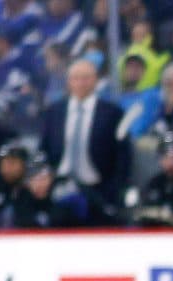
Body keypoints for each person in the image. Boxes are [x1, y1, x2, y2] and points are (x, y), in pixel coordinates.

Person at [40, 56, 124, 217]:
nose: (81, 83)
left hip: (98, 188)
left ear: (95, 81)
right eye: (76, 78)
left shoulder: (112, 113)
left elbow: (122, 156)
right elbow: (44, 149)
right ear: (69, 82)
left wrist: (114, 189)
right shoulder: (54, 112)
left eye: (86, 78)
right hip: (59, 186)